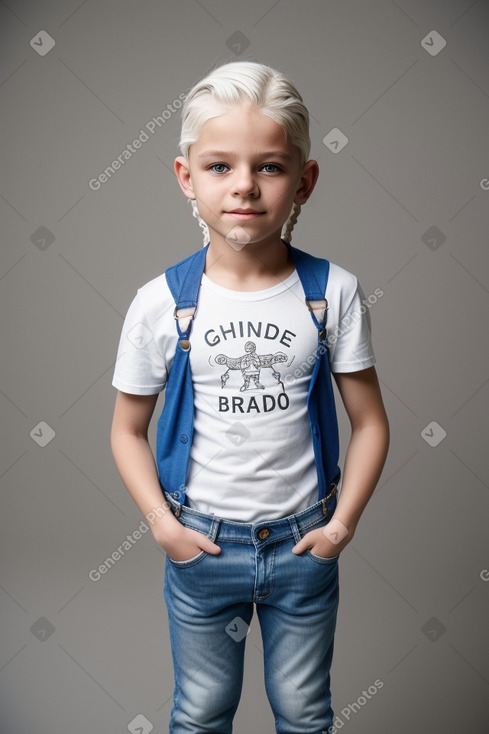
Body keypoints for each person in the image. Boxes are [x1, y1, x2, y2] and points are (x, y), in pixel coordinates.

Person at [110, 60, 390, 734]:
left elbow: (370, 423)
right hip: (201, 546)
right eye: (218, 167)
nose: (243, 186)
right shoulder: (161, 303)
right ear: (185, 177)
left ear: (304, 181)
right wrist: (164, 530)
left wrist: (338, 531)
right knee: (201, 712)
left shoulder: (332, 294)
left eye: (268, 166)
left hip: (303, 547)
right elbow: (126, 429)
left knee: (304, 713)